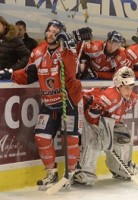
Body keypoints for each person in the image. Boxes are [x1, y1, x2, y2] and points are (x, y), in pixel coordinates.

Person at [0, 19, 84, 190]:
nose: (50, 34)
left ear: (60, 34)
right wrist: (10, 75)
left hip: (69, 102)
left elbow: (72, 72)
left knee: (70, 138)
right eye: (49, 31)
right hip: (49, 103)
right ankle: (51, 174)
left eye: (55, 32)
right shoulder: (38, 52)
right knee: (41, 136)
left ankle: (71, 174)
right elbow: (29, 74)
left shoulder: (68, 51)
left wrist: (67, 49)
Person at [73, 66, 138, 185]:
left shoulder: (133, 99)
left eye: (131, 87)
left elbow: (116, 115)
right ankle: (84, 171)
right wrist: (102, 131)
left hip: (104, 118)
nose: (129, 91)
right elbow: (90, 117)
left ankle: (119, 168)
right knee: (93, 140)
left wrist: (108, 131)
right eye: (126, 88)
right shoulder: (109, 97)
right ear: (118, 85)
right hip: (82, 109)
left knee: (123, 137)